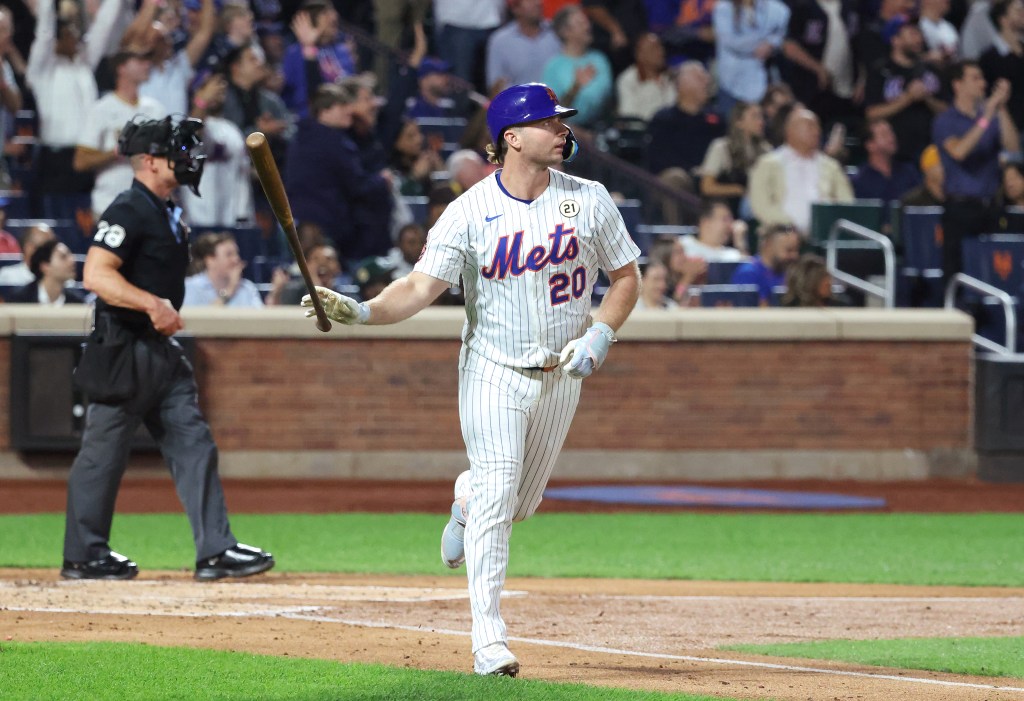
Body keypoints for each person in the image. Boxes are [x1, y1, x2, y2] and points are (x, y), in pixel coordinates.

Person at [301, 82, 640, 676]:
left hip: (561, 375)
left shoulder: (589, 199)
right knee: (499, 489)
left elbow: (626, 277)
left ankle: (465, 499)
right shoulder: (467, 211)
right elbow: (417, 288)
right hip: (492, 368)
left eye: (562, 123)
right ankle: (489, 640)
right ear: (512, 137)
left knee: (519, 504)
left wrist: (602, 332)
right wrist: (360, 312)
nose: (563, 130)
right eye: (549, 123)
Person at [61, 115, 273, 582]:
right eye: (177, 149)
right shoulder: (128, 208)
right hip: (122, 348)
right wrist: (151, 303)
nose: (189, 156)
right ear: (150, 161)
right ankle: (84, 555)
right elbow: (95, 273)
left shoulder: (167, 208)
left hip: (160, 352)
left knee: (195, 444)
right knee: (103, 455)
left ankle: (215, 549)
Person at [285, 80, 393, 267]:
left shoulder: (301, 137)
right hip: (326, 228)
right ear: (324, 111)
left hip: (300, 222)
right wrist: (382, 181)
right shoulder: (333, 142)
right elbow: (358, 185)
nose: (349, 110)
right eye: (342, 105)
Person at [933, 60, 1019, 283]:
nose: (982, 83)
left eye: (982, 78)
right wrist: (986, 117)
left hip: (991, 207)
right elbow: (959, 152)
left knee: (993, 274)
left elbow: (1013, 148)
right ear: (957, 85)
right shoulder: (945, 121)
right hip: (960, 209)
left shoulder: (991, 116)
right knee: (957, 273)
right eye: (975, 78)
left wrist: (1001, 108)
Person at [74, 48, 167, 218]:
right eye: (139, 61)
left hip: (150, 205)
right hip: (111, 204)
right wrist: (118, 151)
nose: (147, 65)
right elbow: (80, 161)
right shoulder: (102, 109)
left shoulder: (156, 110)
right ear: (121, 67)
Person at [748, 107, 854, 237]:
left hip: (825, 237)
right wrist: (790, 227)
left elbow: (847, 203)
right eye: (810, 126)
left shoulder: (832, 167)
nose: (817, 131)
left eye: (818, 126)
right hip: (780, 235)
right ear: (790, 131)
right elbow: (760, 206)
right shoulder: (767, 164)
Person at [864, 15, 946, 165]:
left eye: (919, 33)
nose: (918, 39)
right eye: (912, 34)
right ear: (895, 40)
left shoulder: (931, 71)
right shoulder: (881, 71)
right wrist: (907, 98)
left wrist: (927, 98)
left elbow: (947, 110)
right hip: (897, 154)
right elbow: (871, 114)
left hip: (932, 150)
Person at [646, 61, 725, 187]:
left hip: (709, 180)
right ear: (682, 85)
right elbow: (658, 159)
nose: (707, 81)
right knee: (674, 178)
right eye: (700, 78)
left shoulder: (717, 120)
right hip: (677, 179)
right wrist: (691, 170)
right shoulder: (663, 119)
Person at [712, 0, 790, 114]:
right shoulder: (723, 8)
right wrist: (766, 42)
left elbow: (781, 29)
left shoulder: (776, 8)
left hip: (764, 85)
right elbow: (732, 41)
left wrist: (771, 43)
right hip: (731, 84)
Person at [541, 6, 614, 126]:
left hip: (600, 127)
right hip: (566, 130)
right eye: (581, 23)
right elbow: (553, 111)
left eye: (587, 22)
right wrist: (575, 88)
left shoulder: (600, 59)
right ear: (565, 32)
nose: (588, 27)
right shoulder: (554, 67)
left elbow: (606, 99)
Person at [281, 0, 356, 117]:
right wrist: (309, 48)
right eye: (326, 14)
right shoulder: (295, 54)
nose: (334, 16)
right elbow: (297, 92)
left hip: (344, 112)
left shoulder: (341, 50)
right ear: (311, 22)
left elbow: (349, 83)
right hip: (310, 116)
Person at [700, 101, 770, 216]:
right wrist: (738, 190)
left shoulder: (766, 150)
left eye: (761, 116)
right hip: (730, 208)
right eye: (754, 116)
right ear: (739, 122)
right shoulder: (721, 147)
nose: (761, 122)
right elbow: (707, 187)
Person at [486, 0, 562, 92]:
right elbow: (496, 85)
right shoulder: (500, 41)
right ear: (516, 8)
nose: (538, 3)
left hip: (558, 102)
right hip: (518, 103)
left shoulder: (556, 33)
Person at [851, 118, 921, 209]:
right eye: (884, 135)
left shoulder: (909, 171)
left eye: (891, 132)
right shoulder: (860, 180)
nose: (891, 138)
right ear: (870, 145)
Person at [182, 232, 265, 307]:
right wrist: (229, 290)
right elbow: (202, 320)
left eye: (237, 254)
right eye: (229, 254)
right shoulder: (191, 287)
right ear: (210, 260)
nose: (236, 259)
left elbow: (261, 321)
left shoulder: (248, 288)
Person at [978, 0, 1024, 135]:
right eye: (1018, 11)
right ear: (1003, 20)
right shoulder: (989, 58)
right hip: (1008, 130)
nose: (1023, 14)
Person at [730, 223, 800, 303]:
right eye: (789, 250)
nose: (795, 255)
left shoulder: (791, 274)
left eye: (796, 250)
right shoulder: (748, 273)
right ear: (769, 245)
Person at [614, 32, 675, 122]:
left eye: (661, 47)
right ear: (640, 55)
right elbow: (628, 116)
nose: (661, 52)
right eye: (654, 49)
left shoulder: (671, 78)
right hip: (640, 132)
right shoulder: (628, 80)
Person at [7, 240, 87, 305]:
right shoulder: (20, 300)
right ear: (45, 267)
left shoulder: (77, 302)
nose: (72, 261)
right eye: (63, 257)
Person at [682, 199, 749, 261]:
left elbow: (746, 271)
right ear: (706, 223)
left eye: (731, 220)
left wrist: (740, 242)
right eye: (725, 219)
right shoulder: (683, 246)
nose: (730, 225)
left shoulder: (732, 255)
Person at [781, 252, 845, 306]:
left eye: (827, 276)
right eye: (822, 277)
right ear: (807, 281)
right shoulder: (788, 311)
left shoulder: (840, 307)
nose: (828, 283)